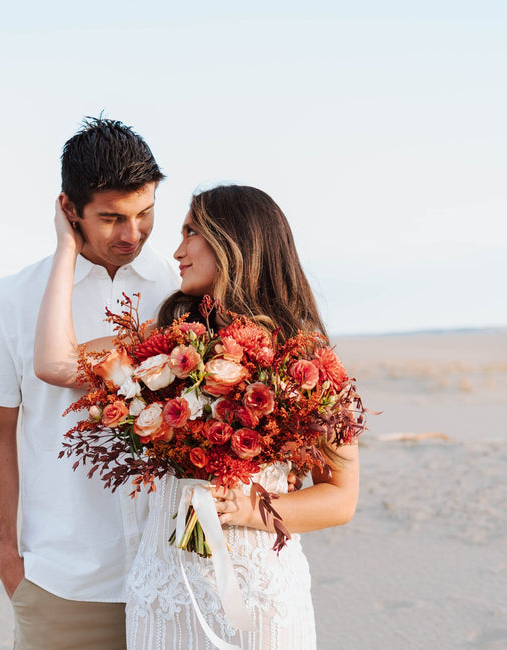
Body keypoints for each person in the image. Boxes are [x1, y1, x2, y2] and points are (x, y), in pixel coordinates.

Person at [34, 185, 360, 650]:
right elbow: (54, 362)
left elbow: (340, 499)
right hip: (165, 593)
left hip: (258, 598)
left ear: (232, 243)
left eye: (190, 232)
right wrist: (67, 247)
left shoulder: (307, 365)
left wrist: (251, 509)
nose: (176, 250)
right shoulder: (165, 347)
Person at [0, 117, 180, 650]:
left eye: (145, 213)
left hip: (178, 575)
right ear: (68, 210)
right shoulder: (12, 298)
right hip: (62, 584)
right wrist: (7, 560)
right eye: (110, 219)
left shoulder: (185, 292)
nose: (131, 235)